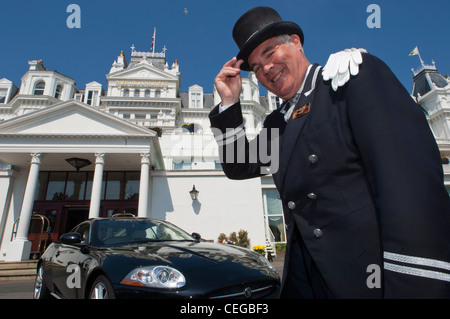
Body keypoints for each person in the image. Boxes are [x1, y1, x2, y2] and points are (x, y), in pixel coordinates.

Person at [209, 6, 450, 298]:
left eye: (270, 52)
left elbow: (409, 185)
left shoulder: (348, 79)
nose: (266, 69)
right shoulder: (277, 123)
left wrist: (417, 284)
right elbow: (238, 165)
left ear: (296, 42)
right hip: (307, 282)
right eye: (257, 67)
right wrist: (229, 104)